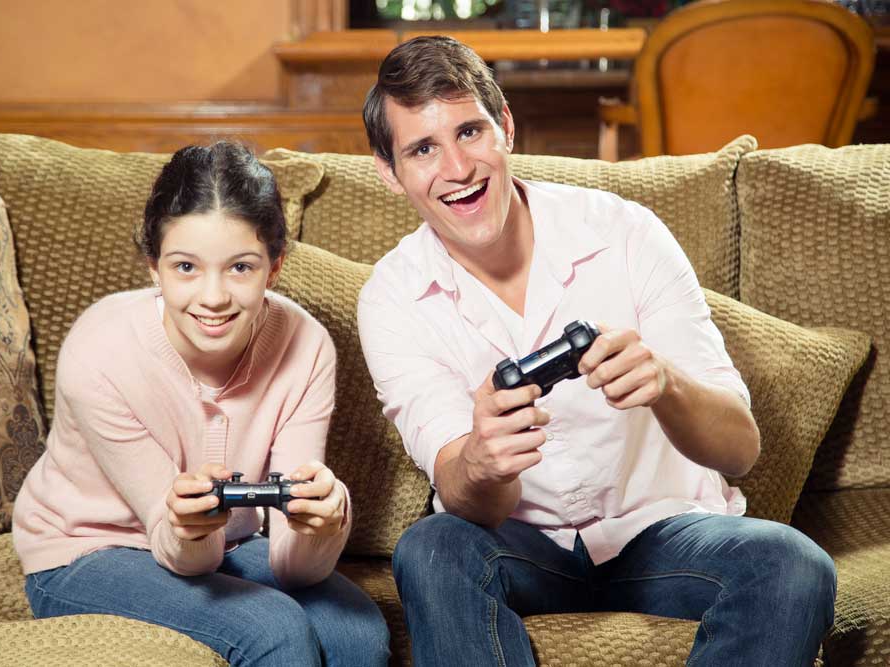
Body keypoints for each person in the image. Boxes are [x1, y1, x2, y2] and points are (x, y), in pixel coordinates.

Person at [357, 36, 835, 666]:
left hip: (663, 534)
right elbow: (464, 491)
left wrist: (666, 383)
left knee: (794, 564)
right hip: (518, 544)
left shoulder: (625, 232)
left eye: (470, 132)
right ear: (390, 172)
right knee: (432, 546)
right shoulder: (391, 297)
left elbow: (740, 450)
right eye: (423, 149)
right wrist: (483, 458)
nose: (457, 168)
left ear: (505, 127)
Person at [12, 140, 390, 667]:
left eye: (240, 267)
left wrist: (321, 526)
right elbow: (179, 552)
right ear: (153, 266)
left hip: (227, 545)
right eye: (186, 267)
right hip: (86, 550)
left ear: (274, 267)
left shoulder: (306, 345)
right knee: (274, 630)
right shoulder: (99, 352)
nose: (212, 297)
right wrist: (192, 528)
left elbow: (296, 567)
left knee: (357, 632)